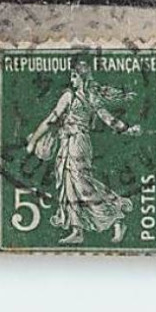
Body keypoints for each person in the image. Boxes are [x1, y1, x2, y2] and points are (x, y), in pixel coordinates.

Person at [24, 59, 140, 245]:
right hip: (70, 143)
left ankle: (116, 218)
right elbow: (109, 120)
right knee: (71, 184)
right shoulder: (90, 97)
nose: (72, 79)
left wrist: (34, 141)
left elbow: (50, 120)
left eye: (74, 75)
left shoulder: (70, 97)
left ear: (82, 78)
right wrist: (127, 129)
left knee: (82, 185)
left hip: (76, 144)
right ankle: (77, 230)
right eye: (71, 75)